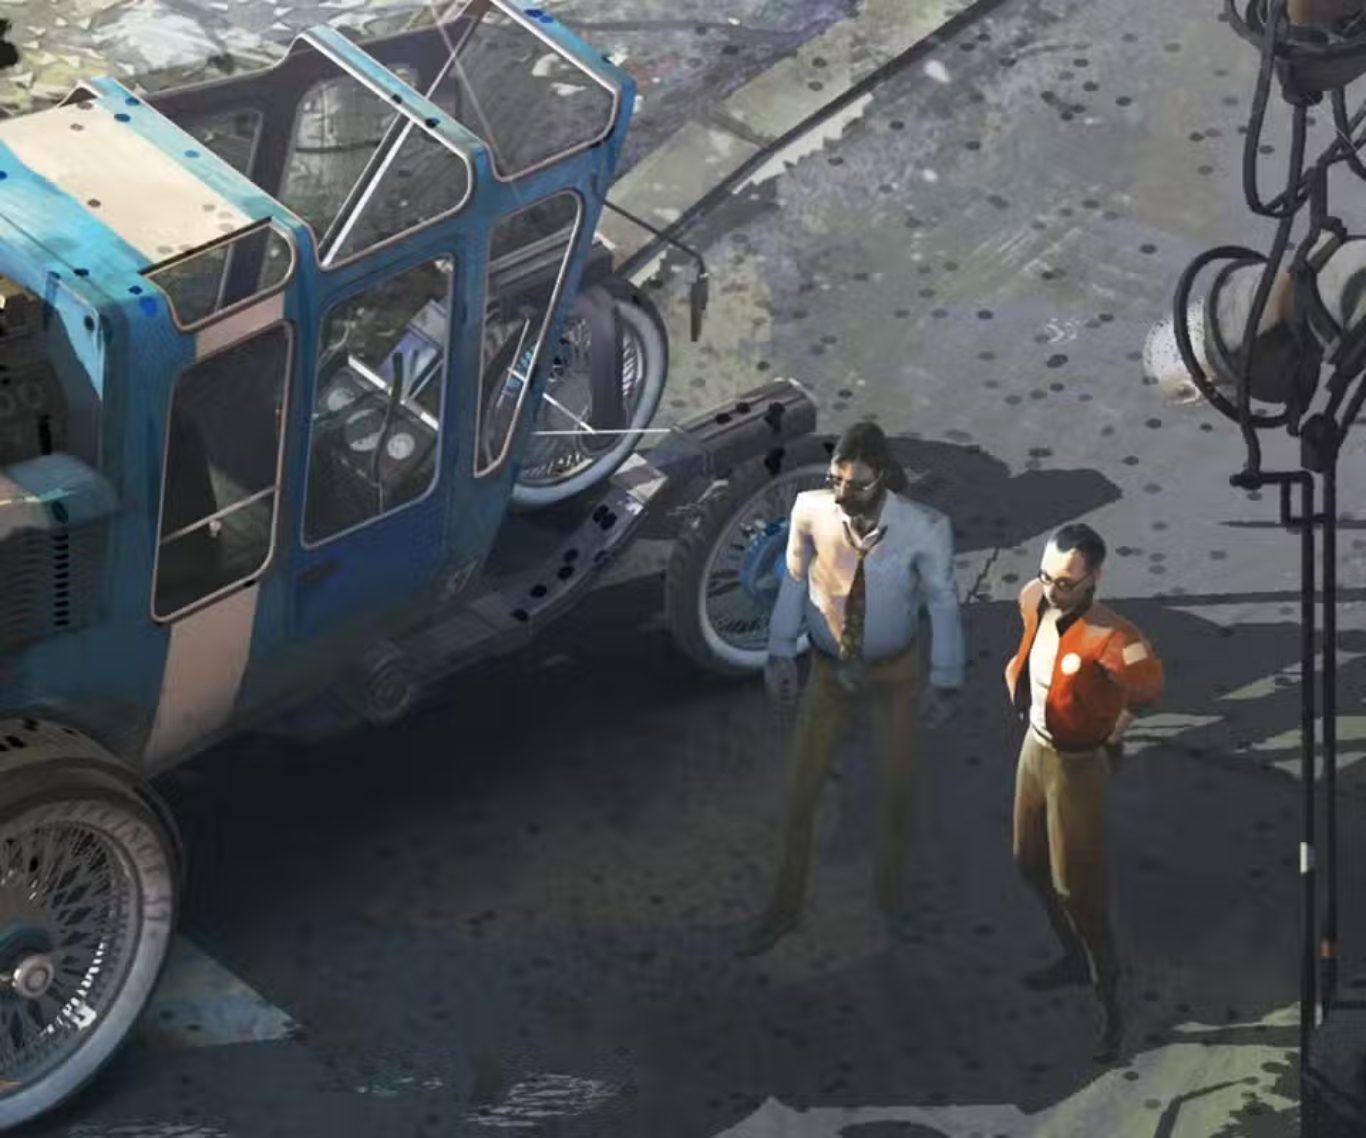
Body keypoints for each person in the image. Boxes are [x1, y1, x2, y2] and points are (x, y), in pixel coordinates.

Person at [738, 420, 966, 956]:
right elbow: (795, 580)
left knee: (896, 792)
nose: (842, 494)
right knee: (800, 795)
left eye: (856, 484)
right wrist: (779, 652)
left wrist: (946, 680)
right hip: (828, 672)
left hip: (895, 675)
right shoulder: (809, 511)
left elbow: (943, 604)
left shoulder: (925, 528)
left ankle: (890, 903)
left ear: (883, 476)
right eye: (835, 480)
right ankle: (784, 908)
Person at [1005, 524, 1164, 1063]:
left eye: (1067, 583)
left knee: (1079, 890)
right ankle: (1073, 955)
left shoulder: (1116, 637)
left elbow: (1147, 687)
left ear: (1095, 577)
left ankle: (1110, 1006)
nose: (1053, 590)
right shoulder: (1033, 598)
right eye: (1047, 576)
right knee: (1027, 861)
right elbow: (1031, 640)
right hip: (1035, 748)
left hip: (1077, 764)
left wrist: (1113, 734)